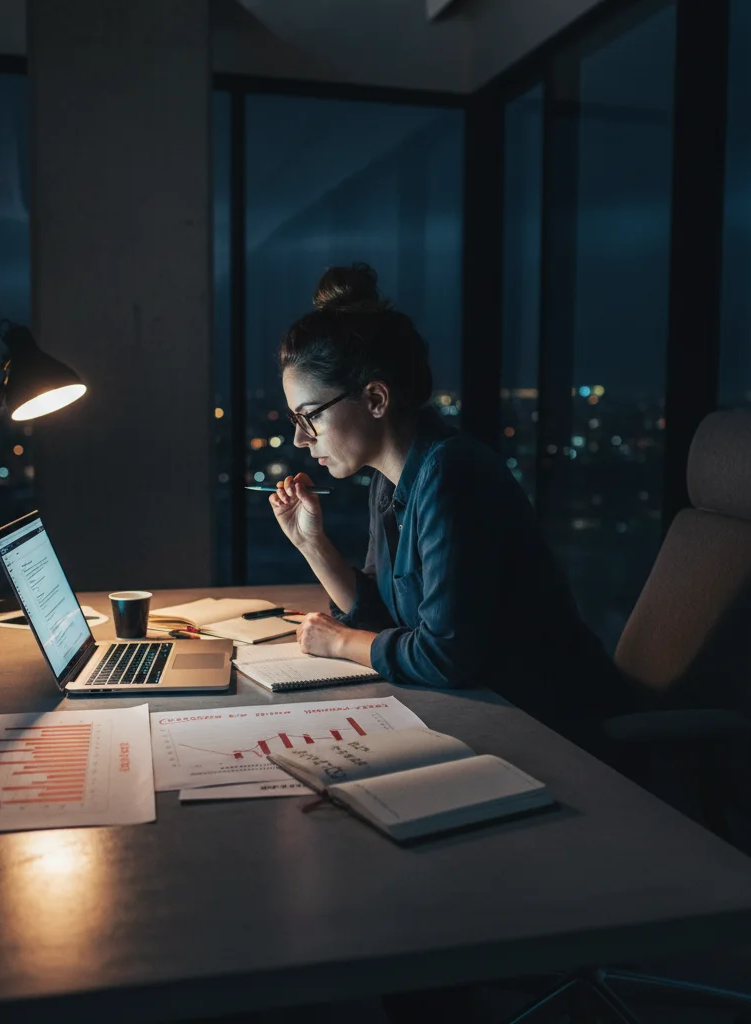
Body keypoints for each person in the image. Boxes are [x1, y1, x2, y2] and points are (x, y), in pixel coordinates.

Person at [269, 262, 642, 744]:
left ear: (376, 398)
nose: (301, 439)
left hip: (550, 725)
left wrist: (339, 641)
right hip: (485, 711)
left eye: (310, 416)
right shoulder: (392, 479)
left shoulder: (452, 475)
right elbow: (387, 621)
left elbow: (441, 657)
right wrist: (312, 545)